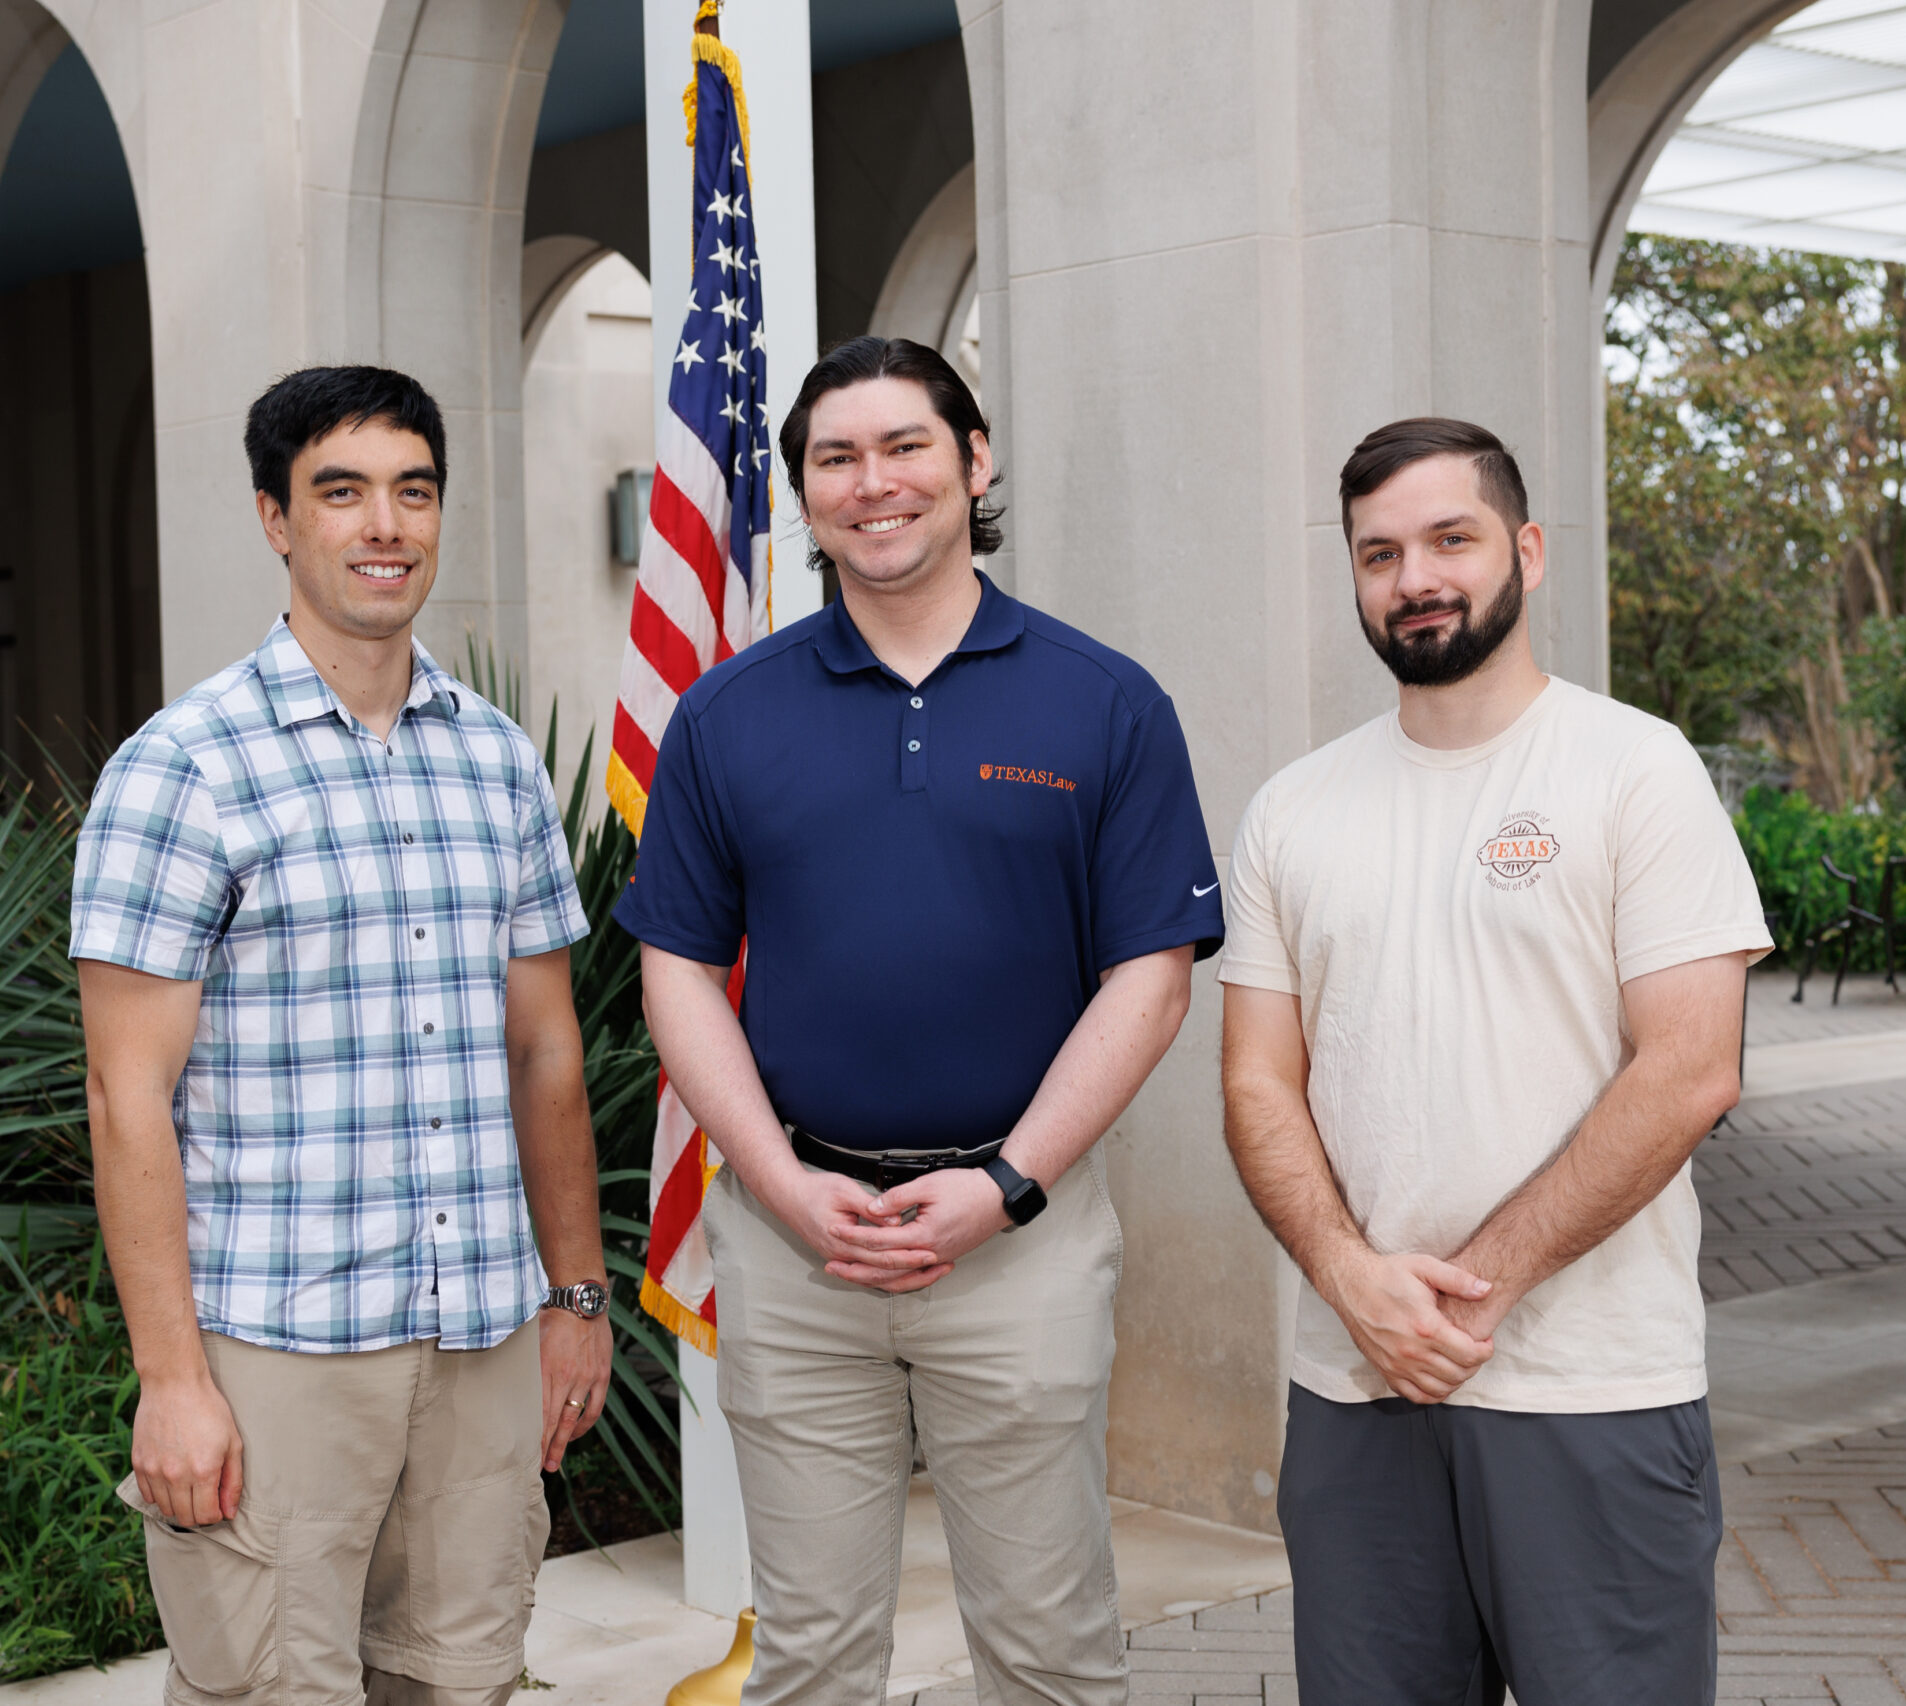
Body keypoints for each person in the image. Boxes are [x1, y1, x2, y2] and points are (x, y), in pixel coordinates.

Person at [617, 336, 1223, 1706]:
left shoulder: (1103, 700)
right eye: (836, 457)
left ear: (974, 462)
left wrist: (1007, 1183)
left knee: (1048, 1649)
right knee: (813, 1654)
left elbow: (1154, 972)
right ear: (803, 493)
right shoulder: (725, 713)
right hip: (794, 1242)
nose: (872, 482)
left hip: (1021, 1233)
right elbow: (676, 970)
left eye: (904, 447)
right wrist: (777, 1179)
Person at [71, 365, 613, 1706]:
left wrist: (578, 1297)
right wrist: (171, 1381)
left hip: (484, 1336)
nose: (387, 524)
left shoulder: (495, 759)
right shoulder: (182, 767)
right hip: (278, 1354)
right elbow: (125, 1097)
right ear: (275, 517)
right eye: (343, 491)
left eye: (414, 490)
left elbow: (545, 1052)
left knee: (464, 1680)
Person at [1216, 417, 1773, 1704]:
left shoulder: (1635, 768)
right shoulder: (1291, 808)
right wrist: (1355, 1284)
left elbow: (1690, 1069)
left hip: (1592, 1387)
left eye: (1448, 539)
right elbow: (1256, 1081)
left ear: (1524, 549)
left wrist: (1472, 1293)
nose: (1414, 577)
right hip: (1355, 1390)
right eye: (1378, 553)